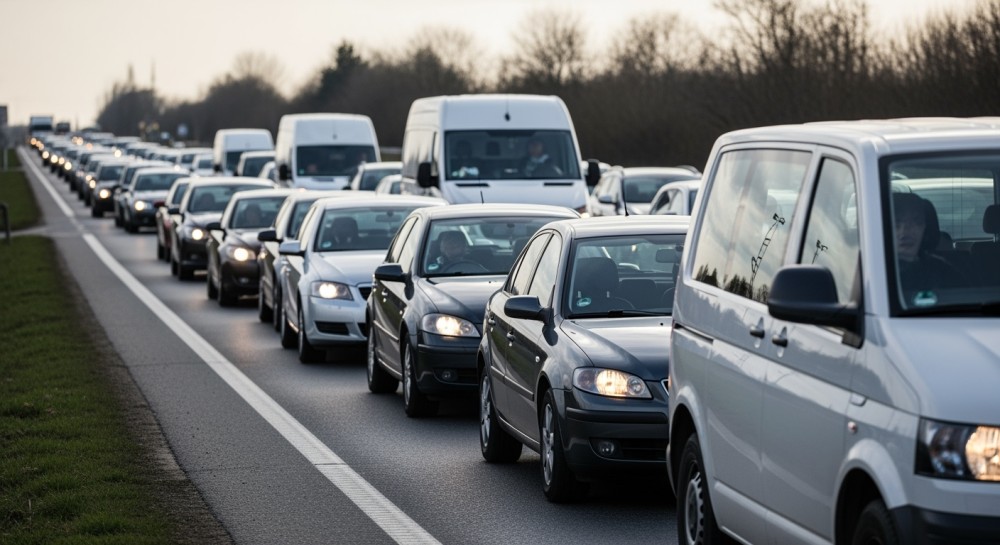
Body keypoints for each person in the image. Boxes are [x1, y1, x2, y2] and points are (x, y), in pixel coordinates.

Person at [893, 192, 964, 303]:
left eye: (916, 222)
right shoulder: (873, 270)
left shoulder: (943, 271)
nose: (905, 231)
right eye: (896, 224)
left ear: (925, 228)